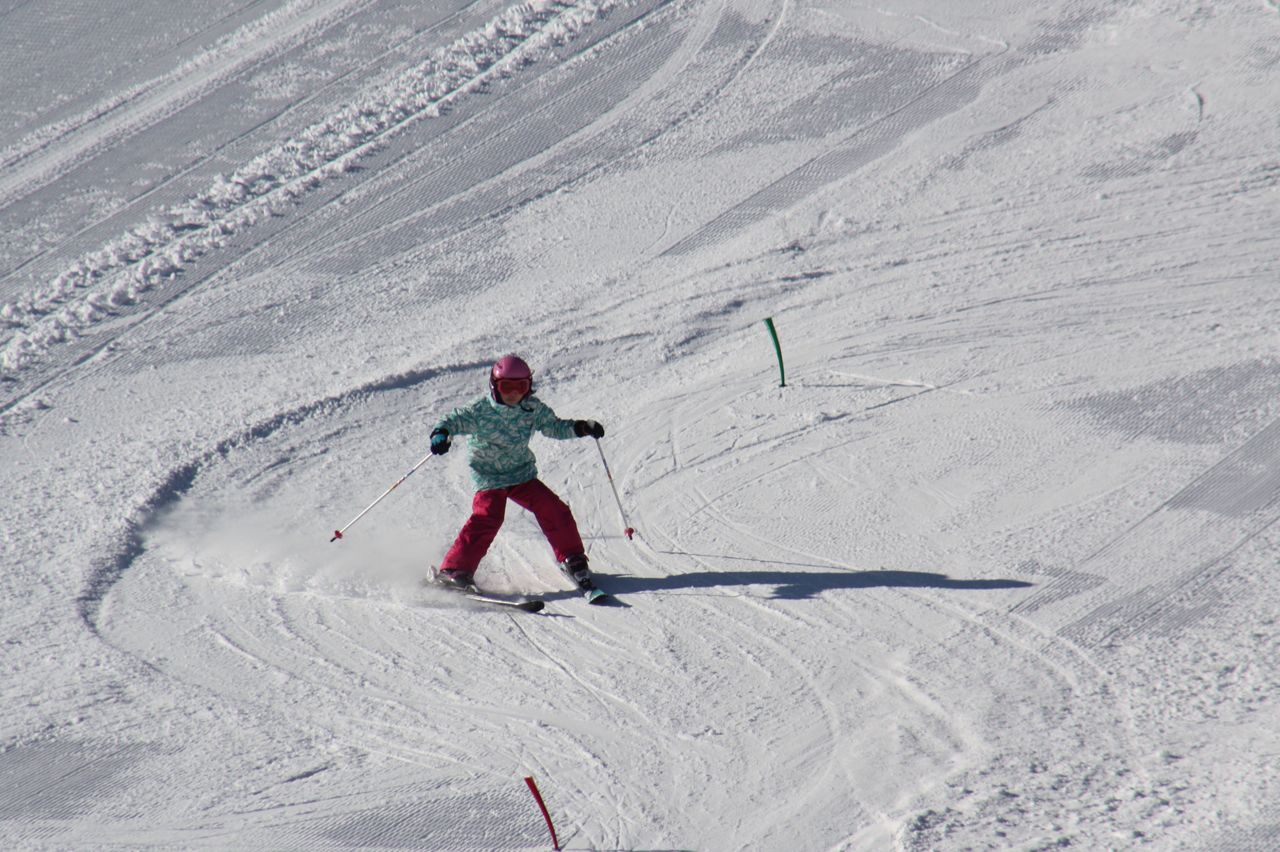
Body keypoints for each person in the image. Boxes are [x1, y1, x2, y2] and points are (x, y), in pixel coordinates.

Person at [429, 354, 604, 592]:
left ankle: (572, 558)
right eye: (506, 387)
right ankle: (454, 569)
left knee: (553, 509)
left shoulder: (531, 409)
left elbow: (553, 426)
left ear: (528, 387)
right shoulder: (480, 411)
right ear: (495, 386)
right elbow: (453, 420)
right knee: (488, 516)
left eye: (520, 387)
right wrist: (441, 433)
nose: (513, 393)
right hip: (488, 474)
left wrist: (581, 427)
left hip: (520, 472)